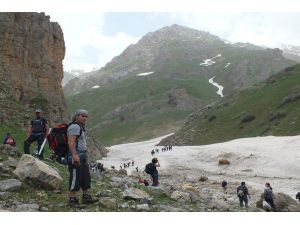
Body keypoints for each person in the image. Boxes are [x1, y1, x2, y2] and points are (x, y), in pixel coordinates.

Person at [67, 109, 95, 207]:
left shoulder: (81, 127)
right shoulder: (74, 126)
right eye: (82, 116)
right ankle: (72, 199)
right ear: (77, 116)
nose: (84, 118)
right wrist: (75, 155)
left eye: (86, 116)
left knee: (85, 176)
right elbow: (71, 142)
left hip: (82, 155)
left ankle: (85, 196)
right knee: (75, 176)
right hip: (76, 155)